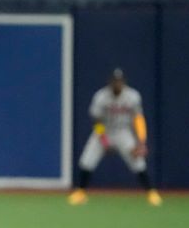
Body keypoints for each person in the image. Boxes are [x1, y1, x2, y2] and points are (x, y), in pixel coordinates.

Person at [67, 68, 162, 207]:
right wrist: (103, 138)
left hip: (123, 132)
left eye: (119, 81)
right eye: (115, 81)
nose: (117, 84)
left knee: (138, 162)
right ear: (110, 82)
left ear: (124, 82)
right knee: (87, 160)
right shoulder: (101, 96)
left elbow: (138, 119)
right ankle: (80, 193)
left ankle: (151, 193)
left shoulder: (133, 96)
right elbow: (96, 120)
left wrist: (141, 141)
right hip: (104, 131)